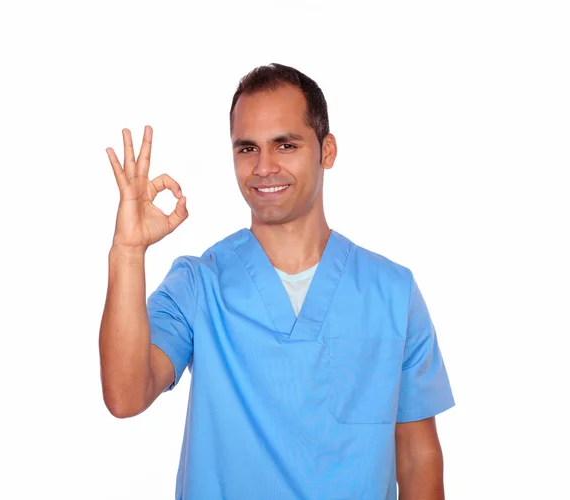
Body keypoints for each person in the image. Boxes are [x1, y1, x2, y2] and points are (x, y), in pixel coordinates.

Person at [99, 63, 455, 500]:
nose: (264, 167)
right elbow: (124, 395)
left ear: (327, 151)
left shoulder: (393, 294)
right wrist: (128, 253)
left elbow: (418, 457)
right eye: (247, 149)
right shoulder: (197, 285)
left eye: (285, 145)